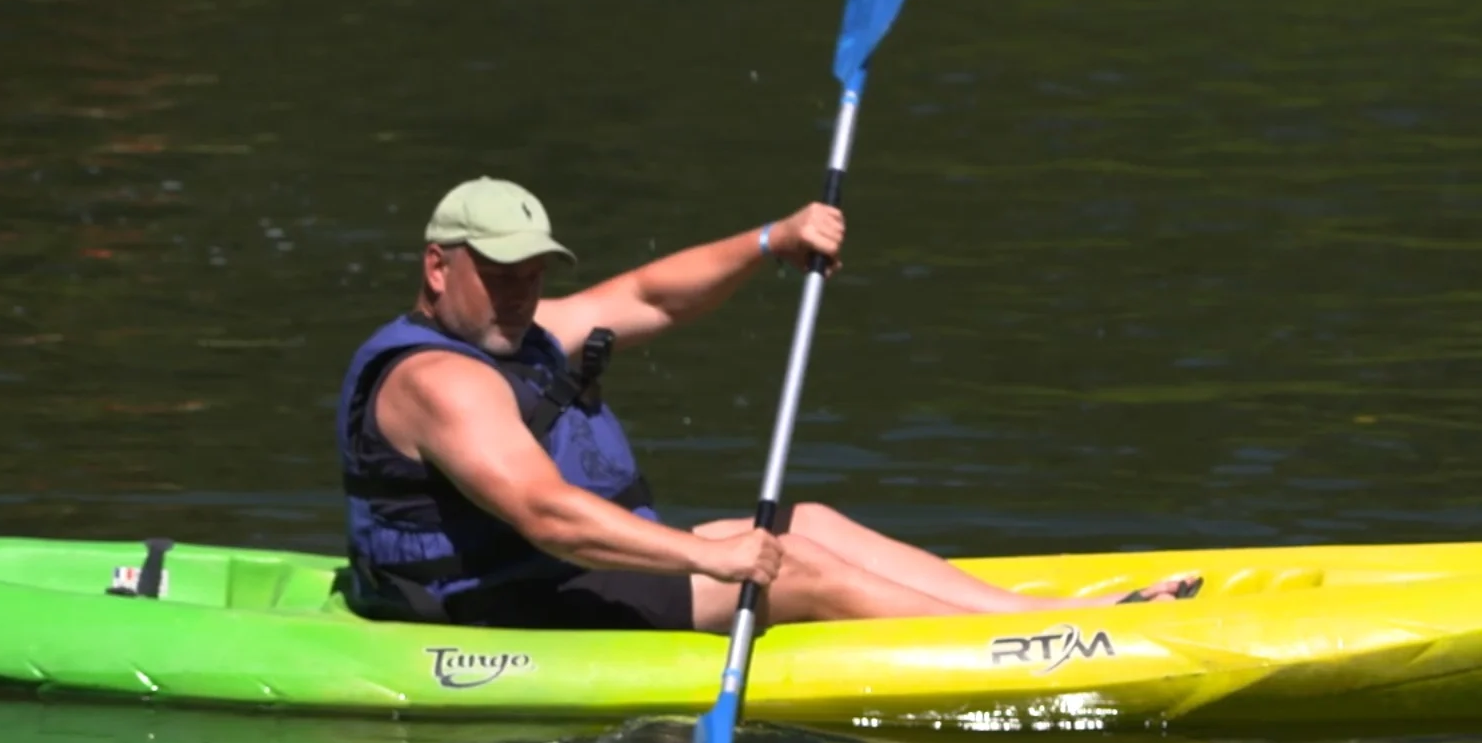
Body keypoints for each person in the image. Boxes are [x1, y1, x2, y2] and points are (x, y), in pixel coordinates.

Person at [338, 177, 1199, 631]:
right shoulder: (441, 381)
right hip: (492, 604)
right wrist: (711, 559)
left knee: (809, 521)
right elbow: (550, 516)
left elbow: (654, 296)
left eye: (531, 272)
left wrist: (770, 242)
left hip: (559, 574)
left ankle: (1061, 620)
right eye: (497, 275)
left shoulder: (520, 328)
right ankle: (1016, 656)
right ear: (437, 267)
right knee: (798, 568)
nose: (520, 293)